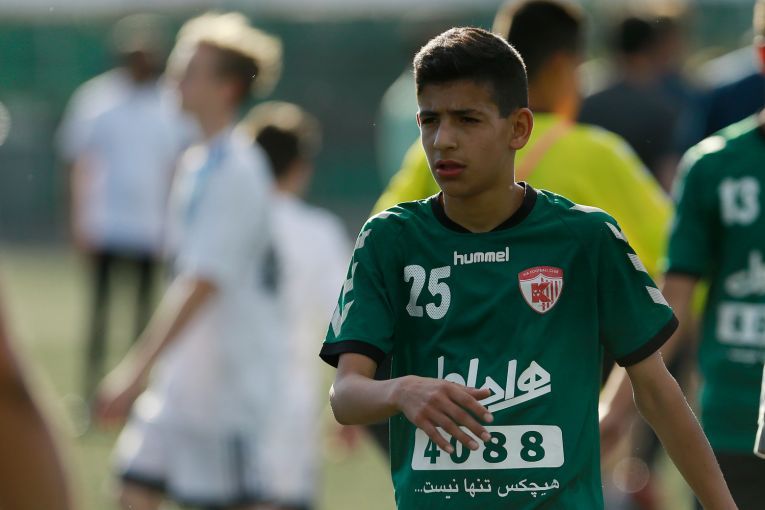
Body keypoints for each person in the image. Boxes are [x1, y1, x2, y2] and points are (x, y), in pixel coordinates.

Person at [320, 26, 735, 510]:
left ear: (518, 128)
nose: (443, 140)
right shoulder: (388, 239)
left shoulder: (586, 237)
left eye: (467, 120)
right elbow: (345, 394)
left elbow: (658, 392)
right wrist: (402, 391)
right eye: (430, 120)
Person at [93, 12, 287, 510]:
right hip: (180, 382)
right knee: (132, 491)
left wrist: (134, 371)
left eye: (189, 70)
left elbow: (202, 283)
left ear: (226, 88)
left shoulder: (238, 170)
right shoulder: (196, 162)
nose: (174, 78)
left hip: (224, 387)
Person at [602, 2, 765, 508]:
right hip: (734, 426)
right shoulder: (714, 166)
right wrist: (615, 408)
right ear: (761, 55)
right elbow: (673, 298)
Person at [56, 14, 193, 399]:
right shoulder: (96, 100)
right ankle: (92, 392)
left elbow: (179, 166)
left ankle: (136, 395)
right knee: (100, 315)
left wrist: (175, 224)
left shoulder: (170, 102)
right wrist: (78, 220)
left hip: (152, 226)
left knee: (146, 319)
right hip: (107, 223)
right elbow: (78, 163)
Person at [238, 101, 351, 510]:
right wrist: (350, 401)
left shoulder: (227, 223)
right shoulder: (317, 232)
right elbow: (346, 322)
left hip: (224, 395)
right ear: (300, 167)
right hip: (288, 398)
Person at [578, 15, 680, 191]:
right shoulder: (662, 109)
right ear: (651, 49)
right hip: (641, 204)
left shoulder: (588, 104)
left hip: (591, 201)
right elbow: (667, 177)